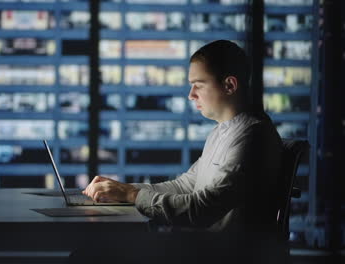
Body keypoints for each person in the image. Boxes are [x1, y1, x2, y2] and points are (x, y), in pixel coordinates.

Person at [83, 40, 283, 233]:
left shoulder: (253, 136)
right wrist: (120, 190)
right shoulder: (221, 132)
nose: (191, 95)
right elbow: (183, 186)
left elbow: (202, 209)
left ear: (229, 85)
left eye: (199, 84)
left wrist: (131, 194)